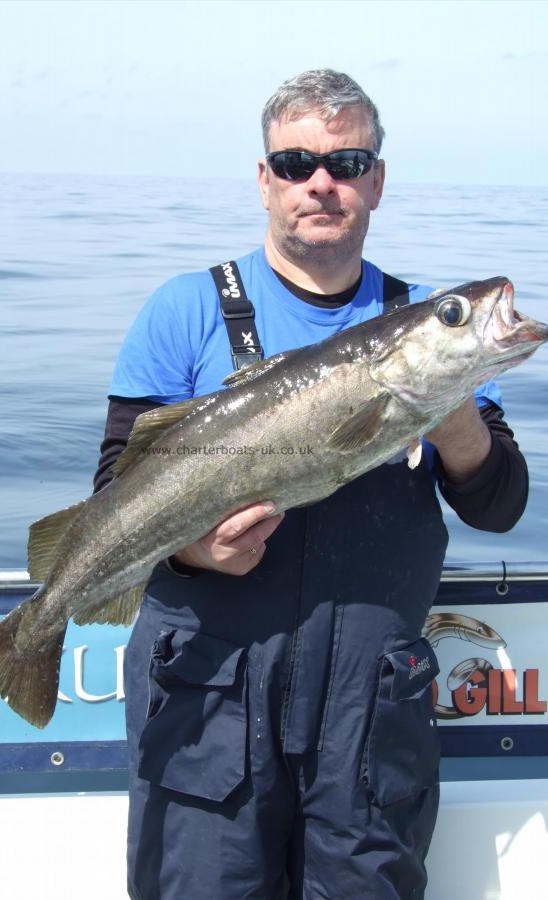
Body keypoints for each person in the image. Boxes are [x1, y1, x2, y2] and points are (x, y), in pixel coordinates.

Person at [94, 70, 528, 900]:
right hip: (207, 708)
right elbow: (115, 485)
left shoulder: (428, 324)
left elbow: (501, 505)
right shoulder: (182, 311)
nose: (319, 183)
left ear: (377, 181)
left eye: (346, 161)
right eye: (295, 163)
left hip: (370, 722)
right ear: (265, 180)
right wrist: (192, 548)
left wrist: (448, 413)